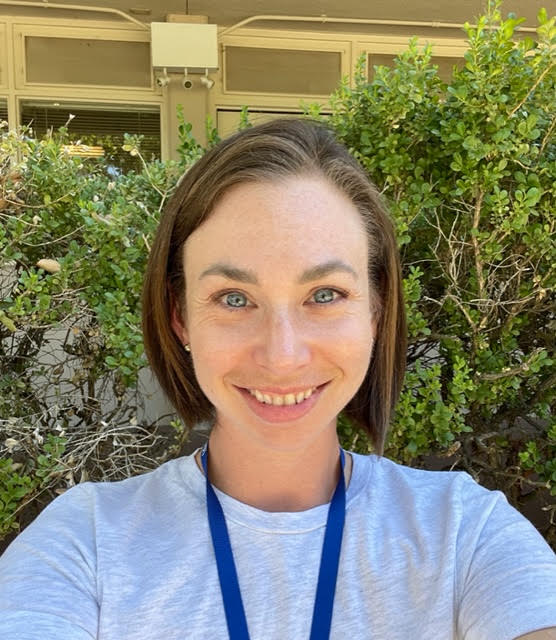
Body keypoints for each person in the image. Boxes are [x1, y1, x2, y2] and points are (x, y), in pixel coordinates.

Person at [0, 119, 555, 640]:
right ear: (180, 316)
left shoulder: (466, 533)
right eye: (234, 298)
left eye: (325, 295)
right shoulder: (83, 542)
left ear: (376, 312)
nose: (282, 356)